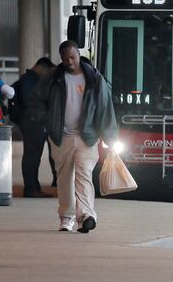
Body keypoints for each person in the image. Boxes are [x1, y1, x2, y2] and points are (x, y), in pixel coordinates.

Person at [29, 40, 119, 233]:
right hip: (61, 137)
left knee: (84, 175)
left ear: (79, 54)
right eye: (65, 58)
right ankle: (67, 217)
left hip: (87, 137)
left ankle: (86, 215)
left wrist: (110, 137)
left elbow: (105, 108)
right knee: (64, 178)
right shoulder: (52, 77)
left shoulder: (95, 78)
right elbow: (36, 101)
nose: (70, 61)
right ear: (60, 59)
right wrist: (48, 121)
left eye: (72, 57)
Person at [13, 57, 56, 197]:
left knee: (32, 155)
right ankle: (31, 188)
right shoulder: (30, 80)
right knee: (32, 156)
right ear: (42, 67)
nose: (48, 75)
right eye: (48, 71)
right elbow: (31, 101)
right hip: (32, 122)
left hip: (30, 121)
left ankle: (33, 186)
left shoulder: (26, 79)